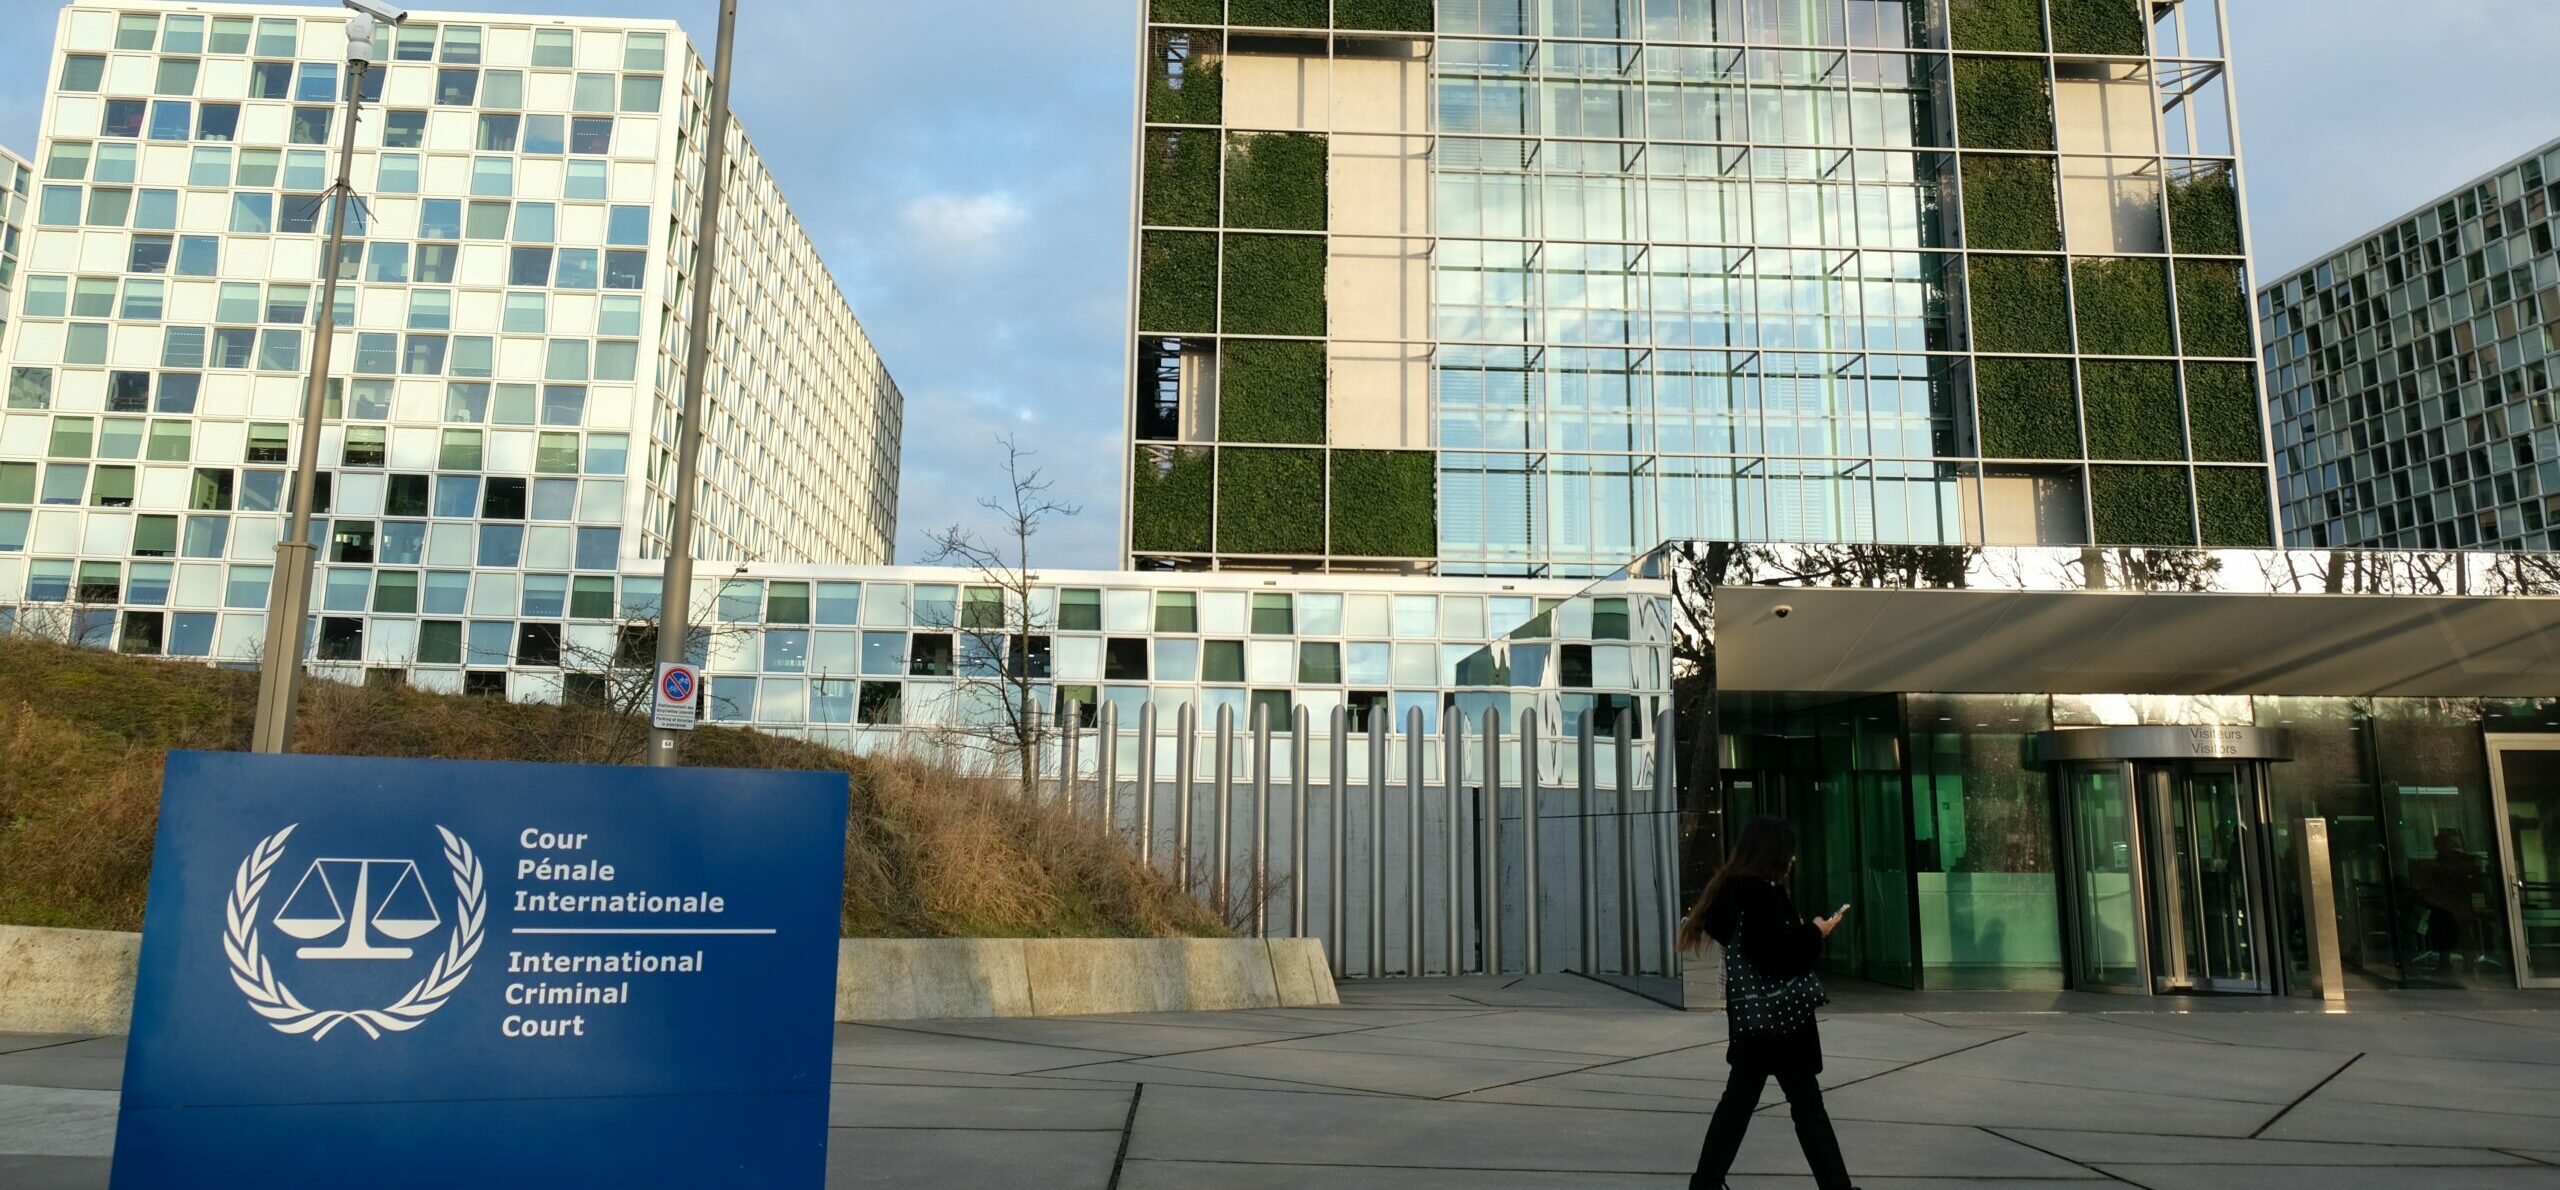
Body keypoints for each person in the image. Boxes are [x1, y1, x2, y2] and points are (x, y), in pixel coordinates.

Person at [1679, 816, 1856, 1190]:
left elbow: (1757, 949)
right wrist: (1815, 931)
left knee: (1738, 1106)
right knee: (1806, 1108)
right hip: (1783, 1021)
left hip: (1752, 1019)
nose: (1792, 860)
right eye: (1789, 853)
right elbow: (1778, 958)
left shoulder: (1729, 893)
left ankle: (1705, 1183)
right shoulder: (1764, 896)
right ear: (1774, 854)